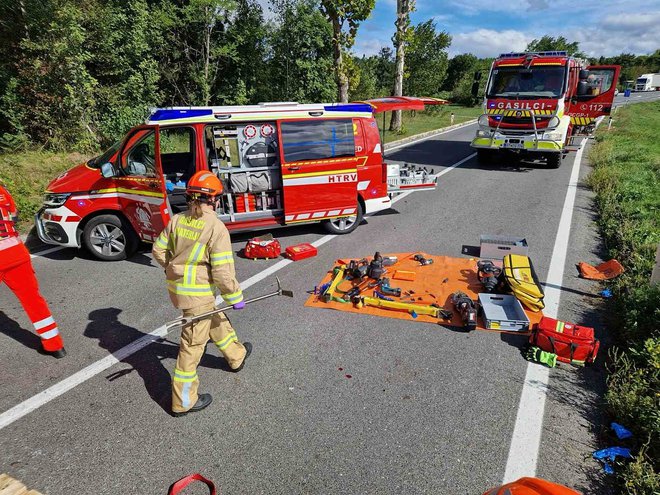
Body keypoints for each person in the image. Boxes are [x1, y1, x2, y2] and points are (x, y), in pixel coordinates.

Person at [152, 170, 251, 417]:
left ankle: (236, 356)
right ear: (214, 199)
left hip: (183, 292)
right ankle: (183, 401)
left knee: (215, 320)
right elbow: (222, 274)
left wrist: (171, 268)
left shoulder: (178, 220)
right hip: (198, 294)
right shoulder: (216, 228)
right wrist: (235, 298)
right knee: (192, 346)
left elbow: (158, 250)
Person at [0, 183, 66, 358]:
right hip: (15, 251)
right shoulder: (2, 189)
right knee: (33, 300)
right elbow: (14, 216)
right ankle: (55, 346)